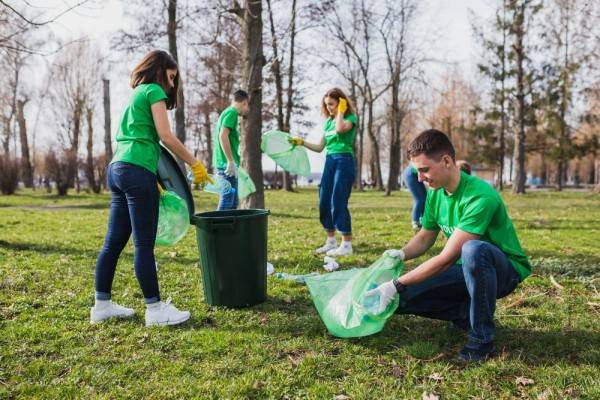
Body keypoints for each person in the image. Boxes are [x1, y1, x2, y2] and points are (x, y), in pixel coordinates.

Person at [366, 129, 531, 361]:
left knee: (474, 250)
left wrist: (398, 282)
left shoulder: (480, 196)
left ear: (446, 161)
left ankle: (481, 339)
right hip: (466, 269)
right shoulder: (436, 192)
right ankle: (465, 314)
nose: (420, 178)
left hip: (502, 271)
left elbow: (447, 258)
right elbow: (425, 237)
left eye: (424, 170)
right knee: (398, 300)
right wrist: (400, 254)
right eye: (417, 172)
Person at [91, 50, 212, 326]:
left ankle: (102, 305)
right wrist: (194, 163)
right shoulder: (154, 91)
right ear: (159, 70)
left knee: (112, 243)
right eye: (170, 77)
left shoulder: (135, 94)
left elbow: (140, 139)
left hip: (118, 168)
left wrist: (152, 179)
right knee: (144, 244)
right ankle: (155, 310)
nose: (171, 85)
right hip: (136, 171)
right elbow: (165, 136)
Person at [289, 88, 358, 257]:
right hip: (330, 161)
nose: (329, 108)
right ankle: (331, 241)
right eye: (326, 105)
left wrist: (341, 111)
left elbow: (341, 129)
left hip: (344, 160)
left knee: (338, 200)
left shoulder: (350, 118)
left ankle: (346, 244)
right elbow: (320, 147)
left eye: (332, 104)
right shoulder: (328, 123)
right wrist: (302, 142)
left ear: (341, 103)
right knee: (324, 200)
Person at [212, 90, 249, 210]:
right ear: (244, 102)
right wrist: (230, 161)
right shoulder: (232, 113)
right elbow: (223, 136)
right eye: (247, 105)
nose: (247, 109)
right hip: (227, 166)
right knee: (228, 200)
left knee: (232, 202)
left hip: (225, 164)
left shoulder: (227, 112)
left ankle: (229, 229)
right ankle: (217, 228)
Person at [403, 163, 427, 231]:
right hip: (410, 174)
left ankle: (424, 220)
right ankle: (415, 222)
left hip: (414, 174)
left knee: (425, 198)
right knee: (419, 199)